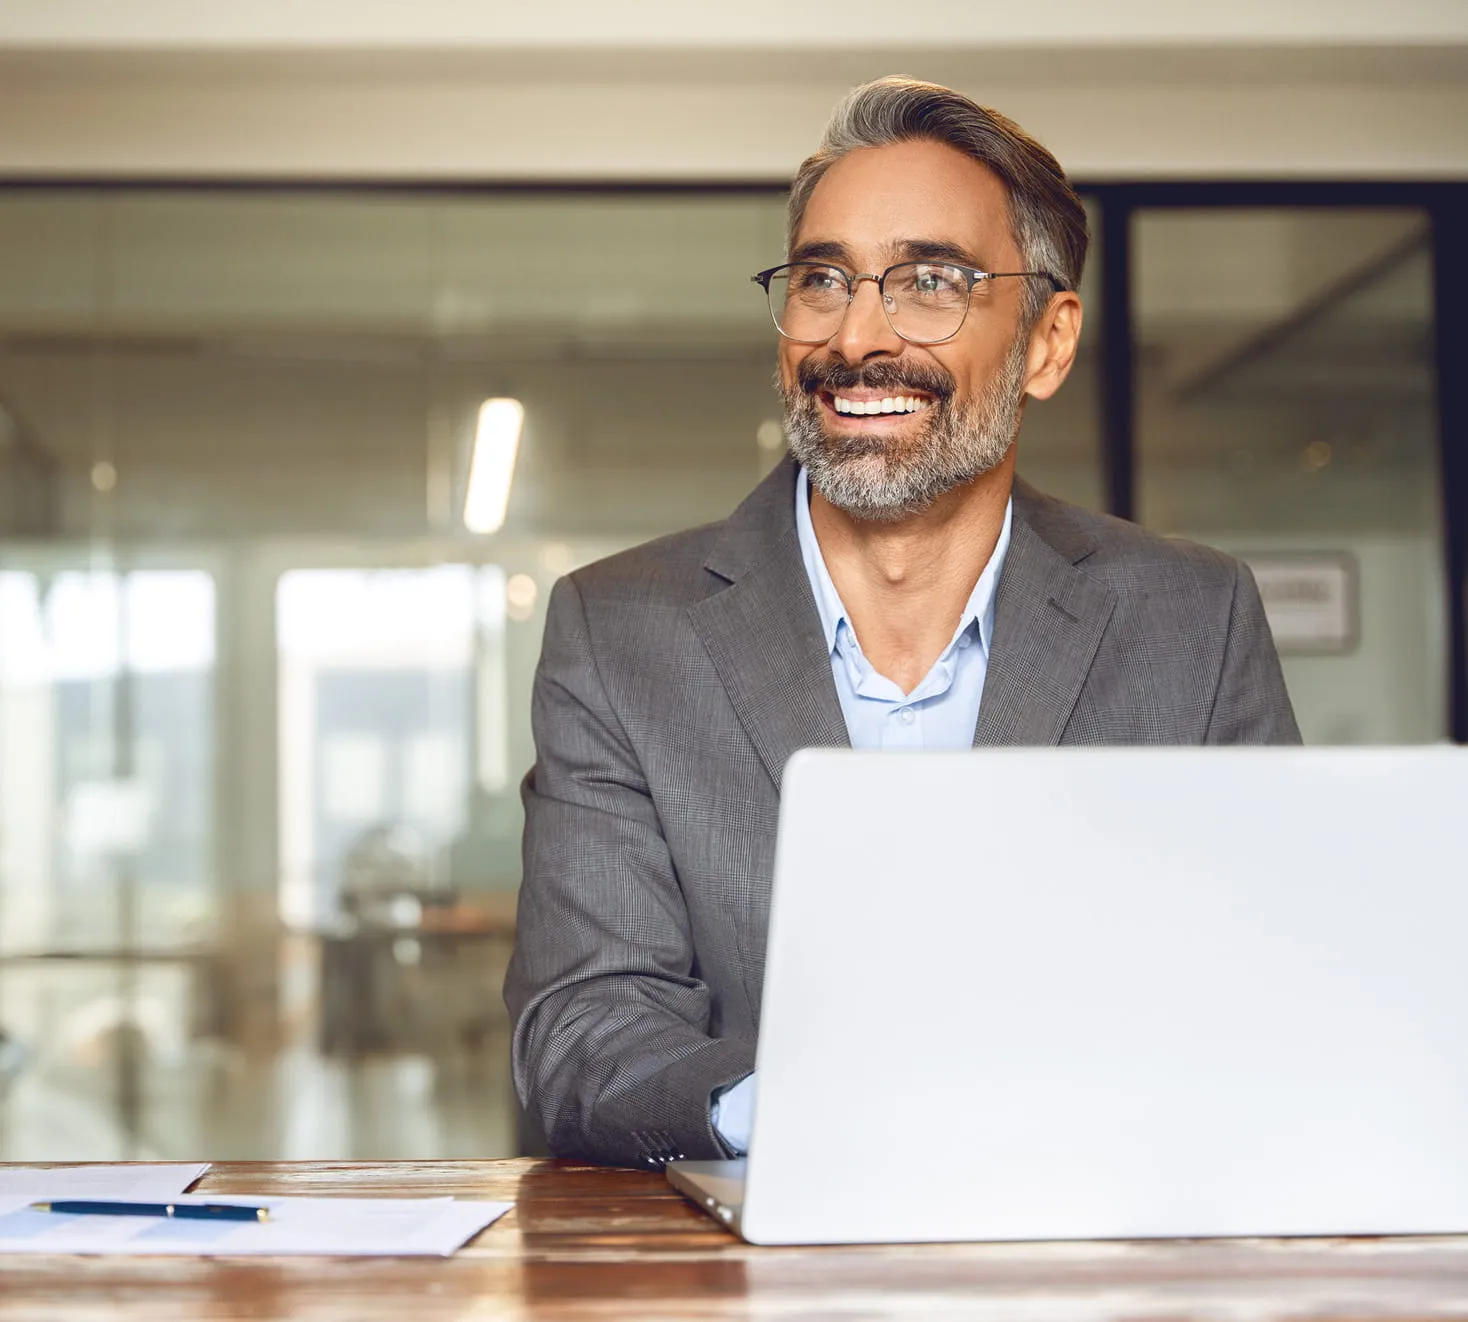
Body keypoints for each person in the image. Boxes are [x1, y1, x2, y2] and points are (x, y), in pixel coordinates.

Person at [504, 76, 1300, 1168]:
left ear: (1046, 342)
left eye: (929, 280)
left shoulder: (1190, 618)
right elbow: (582, 1029)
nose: (858, 335)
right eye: (823, 278)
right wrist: (809, 1118)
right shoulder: (620, 629)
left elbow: (1266, 987)